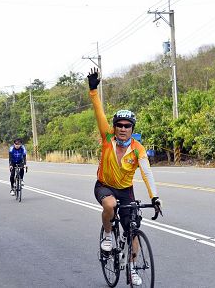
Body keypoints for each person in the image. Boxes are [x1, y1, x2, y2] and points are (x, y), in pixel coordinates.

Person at [87, 68, 162, 286]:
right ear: (114, 126)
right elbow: (99, 112)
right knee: (109, 205)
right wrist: (93, 90)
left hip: (126, 189)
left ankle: (131, 269)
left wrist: (155, 197)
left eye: (127, 126)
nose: (122, 129)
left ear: (132, 129)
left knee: (134, 231)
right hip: (104, 185)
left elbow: (147, 173)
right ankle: (108, 236)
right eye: (119, 125)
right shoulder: (106, 137)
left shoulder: (138, 149)